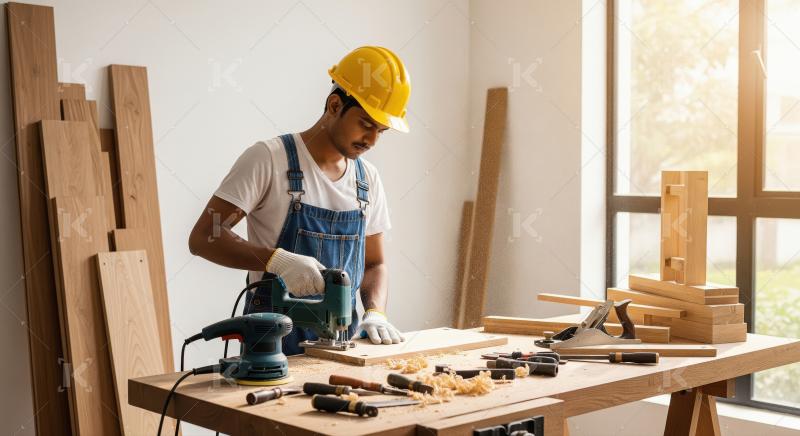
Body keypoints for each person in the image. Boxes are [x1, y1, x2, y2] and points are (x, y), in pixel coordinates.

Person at [188, 46, 411, 355]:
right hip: (271, 347)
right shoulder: (268, 159)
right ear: (335, 106)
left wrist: (375, 311)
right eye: (366, 124)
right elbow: (204, 237)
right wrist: (276, 260)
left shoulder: (367, 180)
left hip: (341, 350)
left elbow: (374, 263)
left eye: (381, 131)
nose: (372, 140)